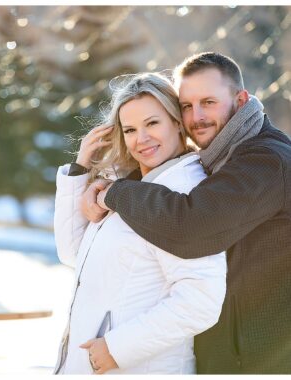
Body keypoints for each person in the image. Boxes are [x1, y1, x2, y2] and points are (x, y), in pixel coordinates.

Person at [83, 52, 291, 374]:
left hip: (262, 358)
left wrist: (116, 193)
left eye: (209, 102)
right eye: (187, 105)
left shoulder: (264, 160)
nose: (197, 117)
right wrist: (84, 176)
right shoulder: (224, 157)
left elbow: (194, 226)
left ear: (241, 99)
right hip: (235, 353)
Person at [53, 72, 227, 374]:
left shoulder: (183, 191)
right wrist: (80, 170)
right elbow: (72, 254)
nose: (141, 139)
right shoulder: (125, 189)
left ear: (176, 122)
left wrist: (115, 349)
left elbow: (200, 302)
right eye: (130, 129)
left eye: (152, 123)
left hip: (138, 368)